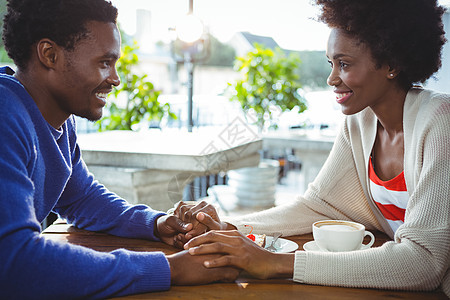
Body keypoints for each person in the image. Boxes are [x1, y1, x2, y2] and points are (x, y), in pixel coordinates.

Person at [175, 0, 450, 296]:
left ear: (392, 64)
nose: (332, 79)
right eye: (331, 64)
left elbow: (424, 261)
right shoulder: (360, 121)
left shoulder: (440, 121)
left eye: (344, 64)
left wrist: (277, 263)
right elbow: (317, 205)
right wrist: (230, 227)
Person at [0, 0, 238, 298]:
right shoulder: (5, 113)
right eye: (104, 62)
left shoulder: (55, 119)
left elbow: (81, 198)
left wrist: (156, 223)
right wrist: (170, 268)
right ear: (50, 55)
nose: (115, 79)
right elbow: (14, 261)